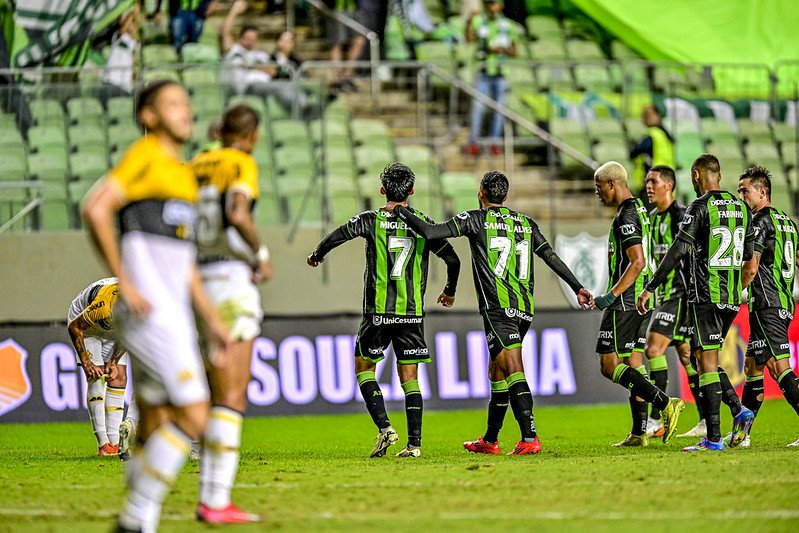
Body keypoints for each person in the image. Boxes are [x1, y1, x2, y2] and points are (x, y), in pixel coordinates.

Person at [81, 79, 231, 531]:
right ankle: (132, 518)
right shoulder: (145, 157)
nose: (185, 110)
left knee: (154, 421)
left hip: (173, 314)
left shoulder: (185, 176)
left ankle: (141, 521)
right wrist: (124, 278)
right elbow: (95, 207)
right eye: (172, 104)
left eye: (187, 102)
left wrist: (211, 319)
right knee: (195, 412)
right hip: (150, 314)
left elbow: (185, 265)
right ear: (149, 116)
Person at [390, 171, 593, 455]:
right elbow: (550, 256)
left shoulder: (474, 219)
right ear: (506, 197)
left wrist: (402, 210)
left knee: (512, 367)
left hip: (498, 309)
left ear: (481, 192)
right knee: (496, 371)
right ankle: (490, 440)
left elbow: (431, 232)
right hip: (524, 307)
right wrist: (578, 287)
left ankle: (530, 437)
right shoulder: (525, 223)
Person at [307, 163, 461, 458]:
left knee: (363, 368)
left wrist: (317, 255)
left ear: (381, 191)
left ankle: (385, 428)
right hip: (411, 313)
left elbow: (338, 235)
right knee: (410, 378)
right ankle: (414, 445)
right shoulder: (423, 223)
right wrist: (449, 291)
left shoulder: (371, 220)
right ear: (412, 192)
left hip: (378, 312)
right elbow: (452, 260)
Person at [637, 154, 756, 452]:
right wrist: (734, 288)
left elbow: (677, 250)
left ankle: (713, 438)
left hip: (704, 295)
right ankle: (738, 411)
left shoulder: (698, 207)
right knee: (702, 358)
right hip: (731, 297)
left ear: (695, 175)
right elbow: (748, 261)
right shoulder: (742, 207)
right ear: (721, 174)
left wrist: (651, 286)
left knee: (704, 362)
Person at [192, 103, 271, 522]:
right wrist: (260, 254)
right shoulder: (241, 162)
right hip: (228, 281)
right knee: (232, 393)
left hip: (193, 281)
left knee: (204, 391)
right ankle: (216, 499)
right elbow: (237, 211)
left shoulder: (196, 163)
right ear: (252, 134)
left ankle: (201, 496)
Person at [591, 162, 684, 447]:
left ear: (612, 184)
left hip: (626, 299)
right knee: (634, 361)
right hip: (640, 297)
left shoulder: (627, 214)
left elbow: (638, 261)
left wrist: (612, 294)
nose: (597, 193)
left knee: (609, 365)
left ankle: (665, 402)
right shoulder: (640, 209)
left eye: (599, 187)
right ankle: (639, 431)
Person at [737, 166, 799, 447]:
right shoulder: (788, 222)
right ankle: (743, 433)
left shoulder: (759, 222)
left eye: (745, 190)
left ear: (762, 192)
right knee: (753, 366)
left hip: (767, 303)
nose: (741, 196)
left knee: (778, 367)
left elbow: (751, 267)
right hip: (784, 301)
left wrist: (733, 290)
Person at [642, 165, 706, 439]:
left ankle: (656, 417)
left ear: (668, 185)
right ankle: (705, 420)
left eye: (653, 181)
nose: (648, 186)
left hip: (680, 295)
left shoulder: (682, 216)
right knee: (687, 356)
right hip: (664, 296)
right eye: (646, 181)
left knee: (653, 348)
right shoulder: (652, 218)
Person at [67, 277, 137, 456]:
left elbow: (129, 335)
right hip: (87, 328)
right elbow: (75, 327)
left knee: (119, 376)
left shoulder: (139, 306)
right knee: (96, 376)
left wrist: (114, 360)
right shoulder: (104, 304)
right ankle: (103, 444)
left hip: (114, 331)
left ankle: (116, 441)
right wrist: (86, 361)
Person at [220, 0, 307, 115]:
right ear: (240, 38)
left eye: (253, 39)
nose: (250, 41)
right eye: (247, 38)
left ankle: (305, 108)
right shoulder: (233, 50)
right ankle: (302, 111)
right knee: (280, 87)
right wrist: (234, 11)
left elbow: (272, 71)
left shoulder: (261, 55)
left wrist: (249, 66)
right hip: (247, 87)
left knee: (289, 84)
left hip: (265, 85)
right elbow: (225, 32)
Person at [464, 0, 519, 157]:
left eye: (494, 4)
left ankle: (494, 143)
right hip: (483, 71)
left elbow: (515, 51)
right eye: (489, 4)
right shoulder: (479, 22)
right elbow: (468, 40)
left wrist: (501, 50)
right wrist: (468, 21)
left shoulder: (508, 25)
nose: (492, 7)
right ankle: (473, 143)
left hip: (500, 73)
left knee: (499, 109)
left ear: (500, 5)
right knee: (478, 108)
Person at [629, 105, 675, 196]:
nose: (645, 118)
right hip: (665, 181)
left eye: (648, 115)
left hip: (652, 181)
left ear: (657, 115)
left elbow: (635, 152)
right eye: (644, 115)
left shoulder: (652, 135)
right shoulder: (666, 135)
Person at [100, 8, 139, 101]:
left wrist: (133, 75)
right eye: (129, 23)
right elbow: (123, 28)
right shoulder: (117, 36)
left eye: (132, 23)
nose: (131, 25)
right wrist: (132, 13)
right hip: (111, 79)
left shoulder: (135, 43)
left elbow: (133, 61)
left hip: (125, 82)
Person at [151, 0, 217, 51]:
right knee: (177, 42)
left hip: (197, 13)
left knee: (193, 43)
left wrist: (213, 2)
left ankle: (189, 65)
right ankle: (176, 64)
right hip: (178, 12)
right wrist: (157, 10)